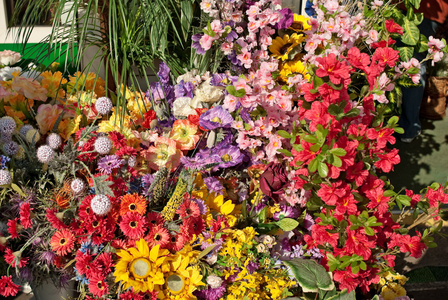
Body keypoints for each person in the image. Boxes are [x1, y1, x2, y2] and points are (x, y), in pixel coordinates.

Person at [398, 0, 448, 143]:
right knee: (412, 65)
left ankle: (408, 127)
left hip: (425, 13)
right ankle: (407, 128)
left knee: (414, 67)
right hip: (412, 10)